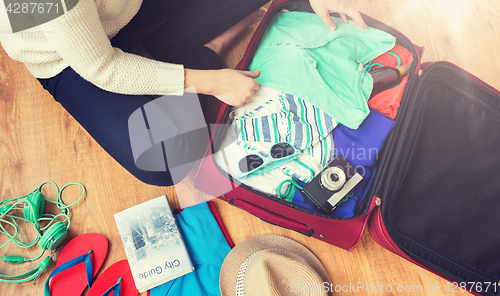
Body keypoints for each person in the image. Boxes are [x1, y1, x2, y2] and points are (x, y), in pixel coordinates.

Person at [0, 0, 367, 186]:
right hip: (67, 58)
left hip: (116, 11)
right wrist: (212, 80)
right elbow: (103, 68)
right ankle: (211, 46)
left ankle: (167, 53)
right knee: (161, 159)